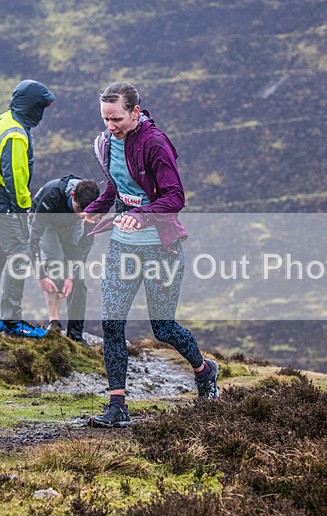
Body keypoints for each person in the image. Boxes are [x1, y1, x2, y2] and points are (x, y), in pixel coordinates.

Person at [81, 82, 219, 428]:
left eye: (117, 119)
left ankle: (204, 372)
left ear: (135, 113)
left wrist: (142, 214)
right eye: (105, 119)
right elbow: (117, 185)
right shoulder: (107, 143)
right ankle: (117, 406)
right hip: (122, 248)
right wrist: (95, 209)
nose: (110, 126)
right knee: (112, 323)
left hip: (161, 249)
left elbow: (175, 196)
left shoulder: (154, 143)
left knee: (163, 327)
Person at [0, 79, 55, 338]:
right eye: (40, 107)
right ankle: (12, 322)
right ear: (32, 106)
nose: (41, 114)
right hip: (1, 202)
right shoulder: (16, 134)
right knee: (19, 254)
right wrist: (24, 207)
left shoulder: (5, 119)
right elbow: (14, 175)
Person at [29, 175, 101, 343]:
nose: (82, 214)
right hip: (46, 223)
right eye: (79, 209)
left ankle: (76, 334)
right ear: (72, 196)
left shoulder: (92, 209)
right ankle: (54, 322)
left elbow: (85, 244)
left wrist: (72, 276)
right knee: (56, 264)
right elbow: (33, 239)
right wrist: (40, 276)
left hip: (70, 226)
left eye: (86, 213)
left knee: (78, 279)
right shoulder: (52, 194)